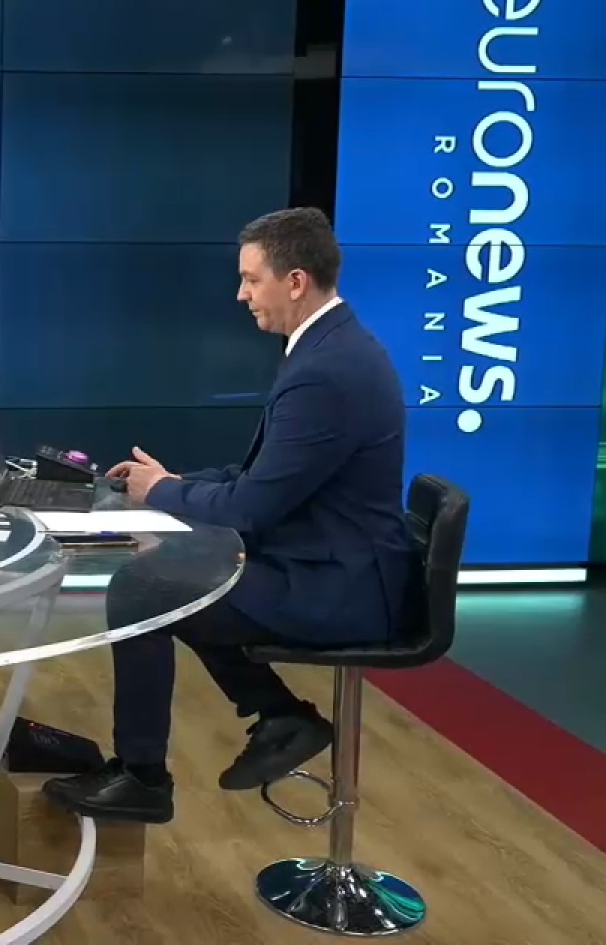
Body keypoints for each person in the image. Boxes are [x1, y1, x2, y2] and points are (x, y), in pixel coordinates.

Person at [43, 207, 412, 824]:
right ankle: (277, 713)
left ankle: (143, 777)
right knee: (175, 579)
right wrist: (174, 485)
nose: (241, 294)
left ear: (295, 281)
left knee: (142, 591)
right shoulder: (330, 348)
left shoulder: (327, 371)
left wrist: (162, 493)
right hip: (330, 561)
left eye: (251, 279)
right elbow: (261, 476)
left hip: (340, 586)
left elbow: (252, 506)